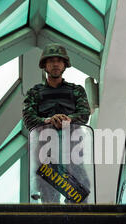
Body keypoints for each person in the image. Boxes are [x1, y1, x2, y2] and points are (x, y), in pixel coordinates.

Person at [23, 43, 92, 203]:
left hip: (73, 150)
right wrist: (47, 121)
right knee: (48, 194)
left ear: (64, 65)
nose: (55, 64)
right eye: (51, 61)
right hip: (45, 151)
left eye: (59, 61)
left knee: (80, 192)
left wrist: (68, 119)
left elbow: (84, 115)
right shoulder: (35, 93)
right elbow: (28, 119)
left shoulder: (76, 90)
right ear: (45, 65)